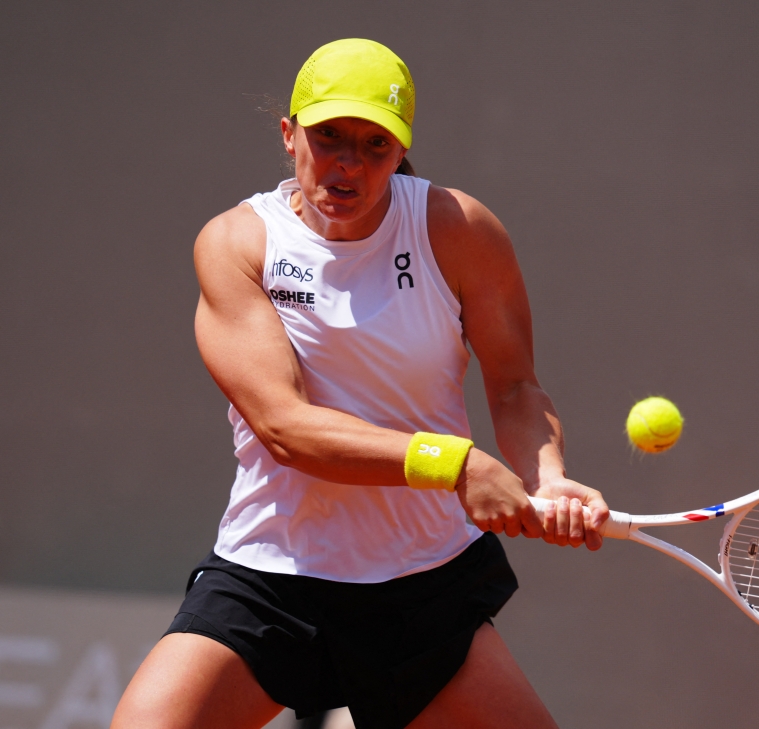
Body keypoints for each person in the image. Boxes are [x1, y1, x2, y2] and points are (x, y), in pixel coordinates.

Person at [111, 38, 608, 729]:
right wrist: (455, 463)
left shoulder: (458, 230)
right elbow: (286, 427)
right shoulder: (237, 245)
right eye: (329, 137)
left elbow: (516, 388)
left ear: (402, 150)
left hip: (421, 586)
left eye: (376, 145)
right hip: (272, 573)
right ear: (289, 135)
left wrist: (547, 476)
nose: (349, 164)